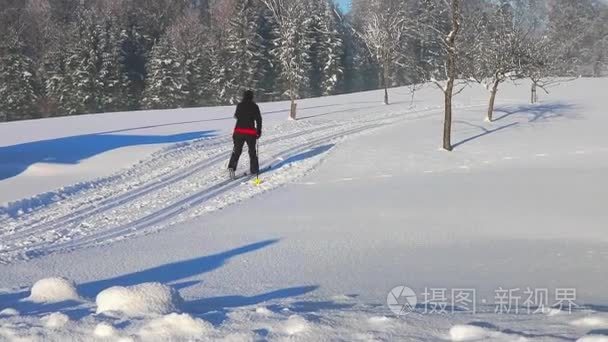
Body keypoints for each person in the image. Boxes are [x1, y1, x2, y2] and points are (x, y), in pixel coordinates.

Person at [228, 90, 262, 178]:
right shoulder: (255, 106)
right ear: (252, 97)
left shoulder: (239, 105)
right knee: (252, 151)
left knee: (237, 150)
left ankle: (232, 167)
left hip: (238, 131)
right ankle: (254, 170)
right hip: (250, 132)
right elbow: (259, 120)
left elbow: (236, 116)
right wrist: (258, 131)